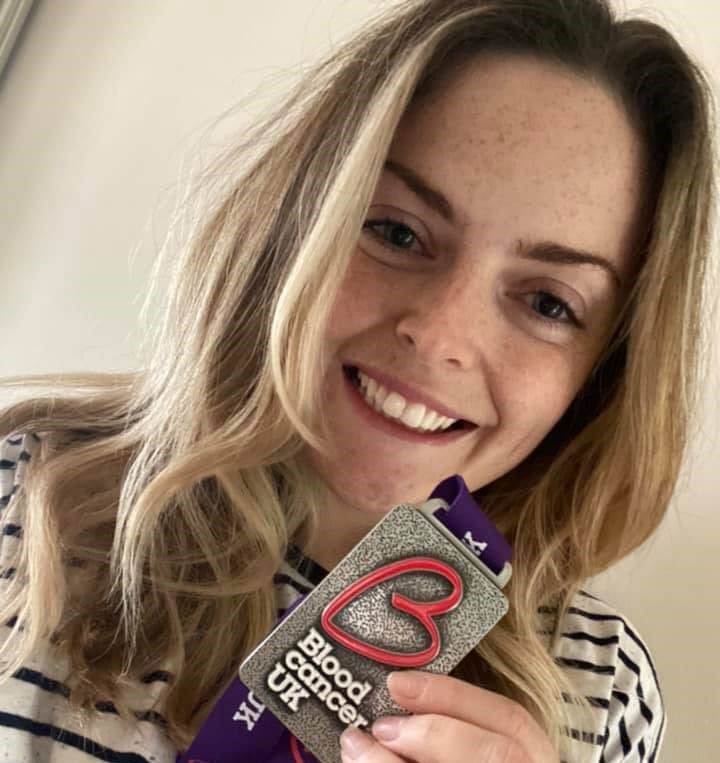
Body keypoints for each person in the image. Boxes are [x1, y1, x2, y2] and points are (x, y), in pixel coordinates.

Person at [0, 0, 716, 761]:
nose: (440, 335)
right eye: (398, 231)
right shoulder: (23, 500)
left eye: (547, 303)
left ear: (603, 374)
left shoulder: (601, 692)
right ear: (296, 221)